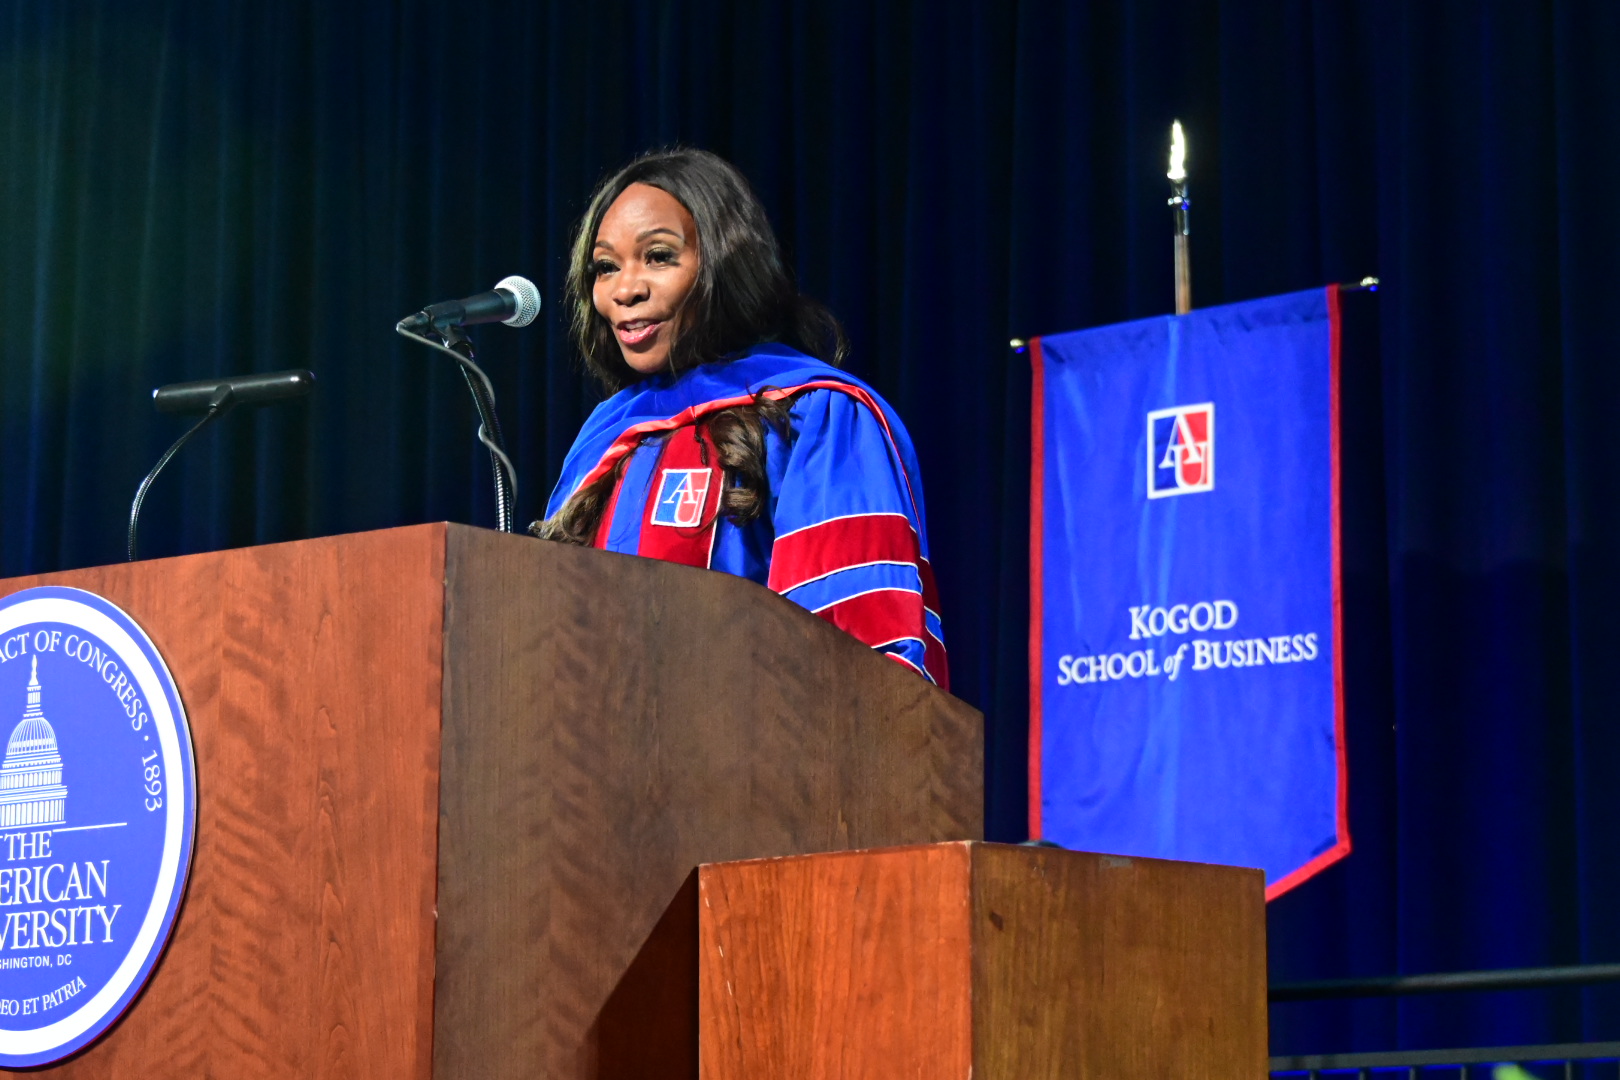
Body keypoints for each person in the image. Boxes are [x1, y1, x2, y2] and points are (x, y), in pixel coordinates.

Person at [532, 148, 946, 688]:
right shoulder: (604, 440)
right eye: (605, 267)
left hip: (754, 760)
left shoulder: (813, 414)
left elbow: (856, 652)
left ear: (725, 263)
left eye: (658, 257)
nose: (625, 289)